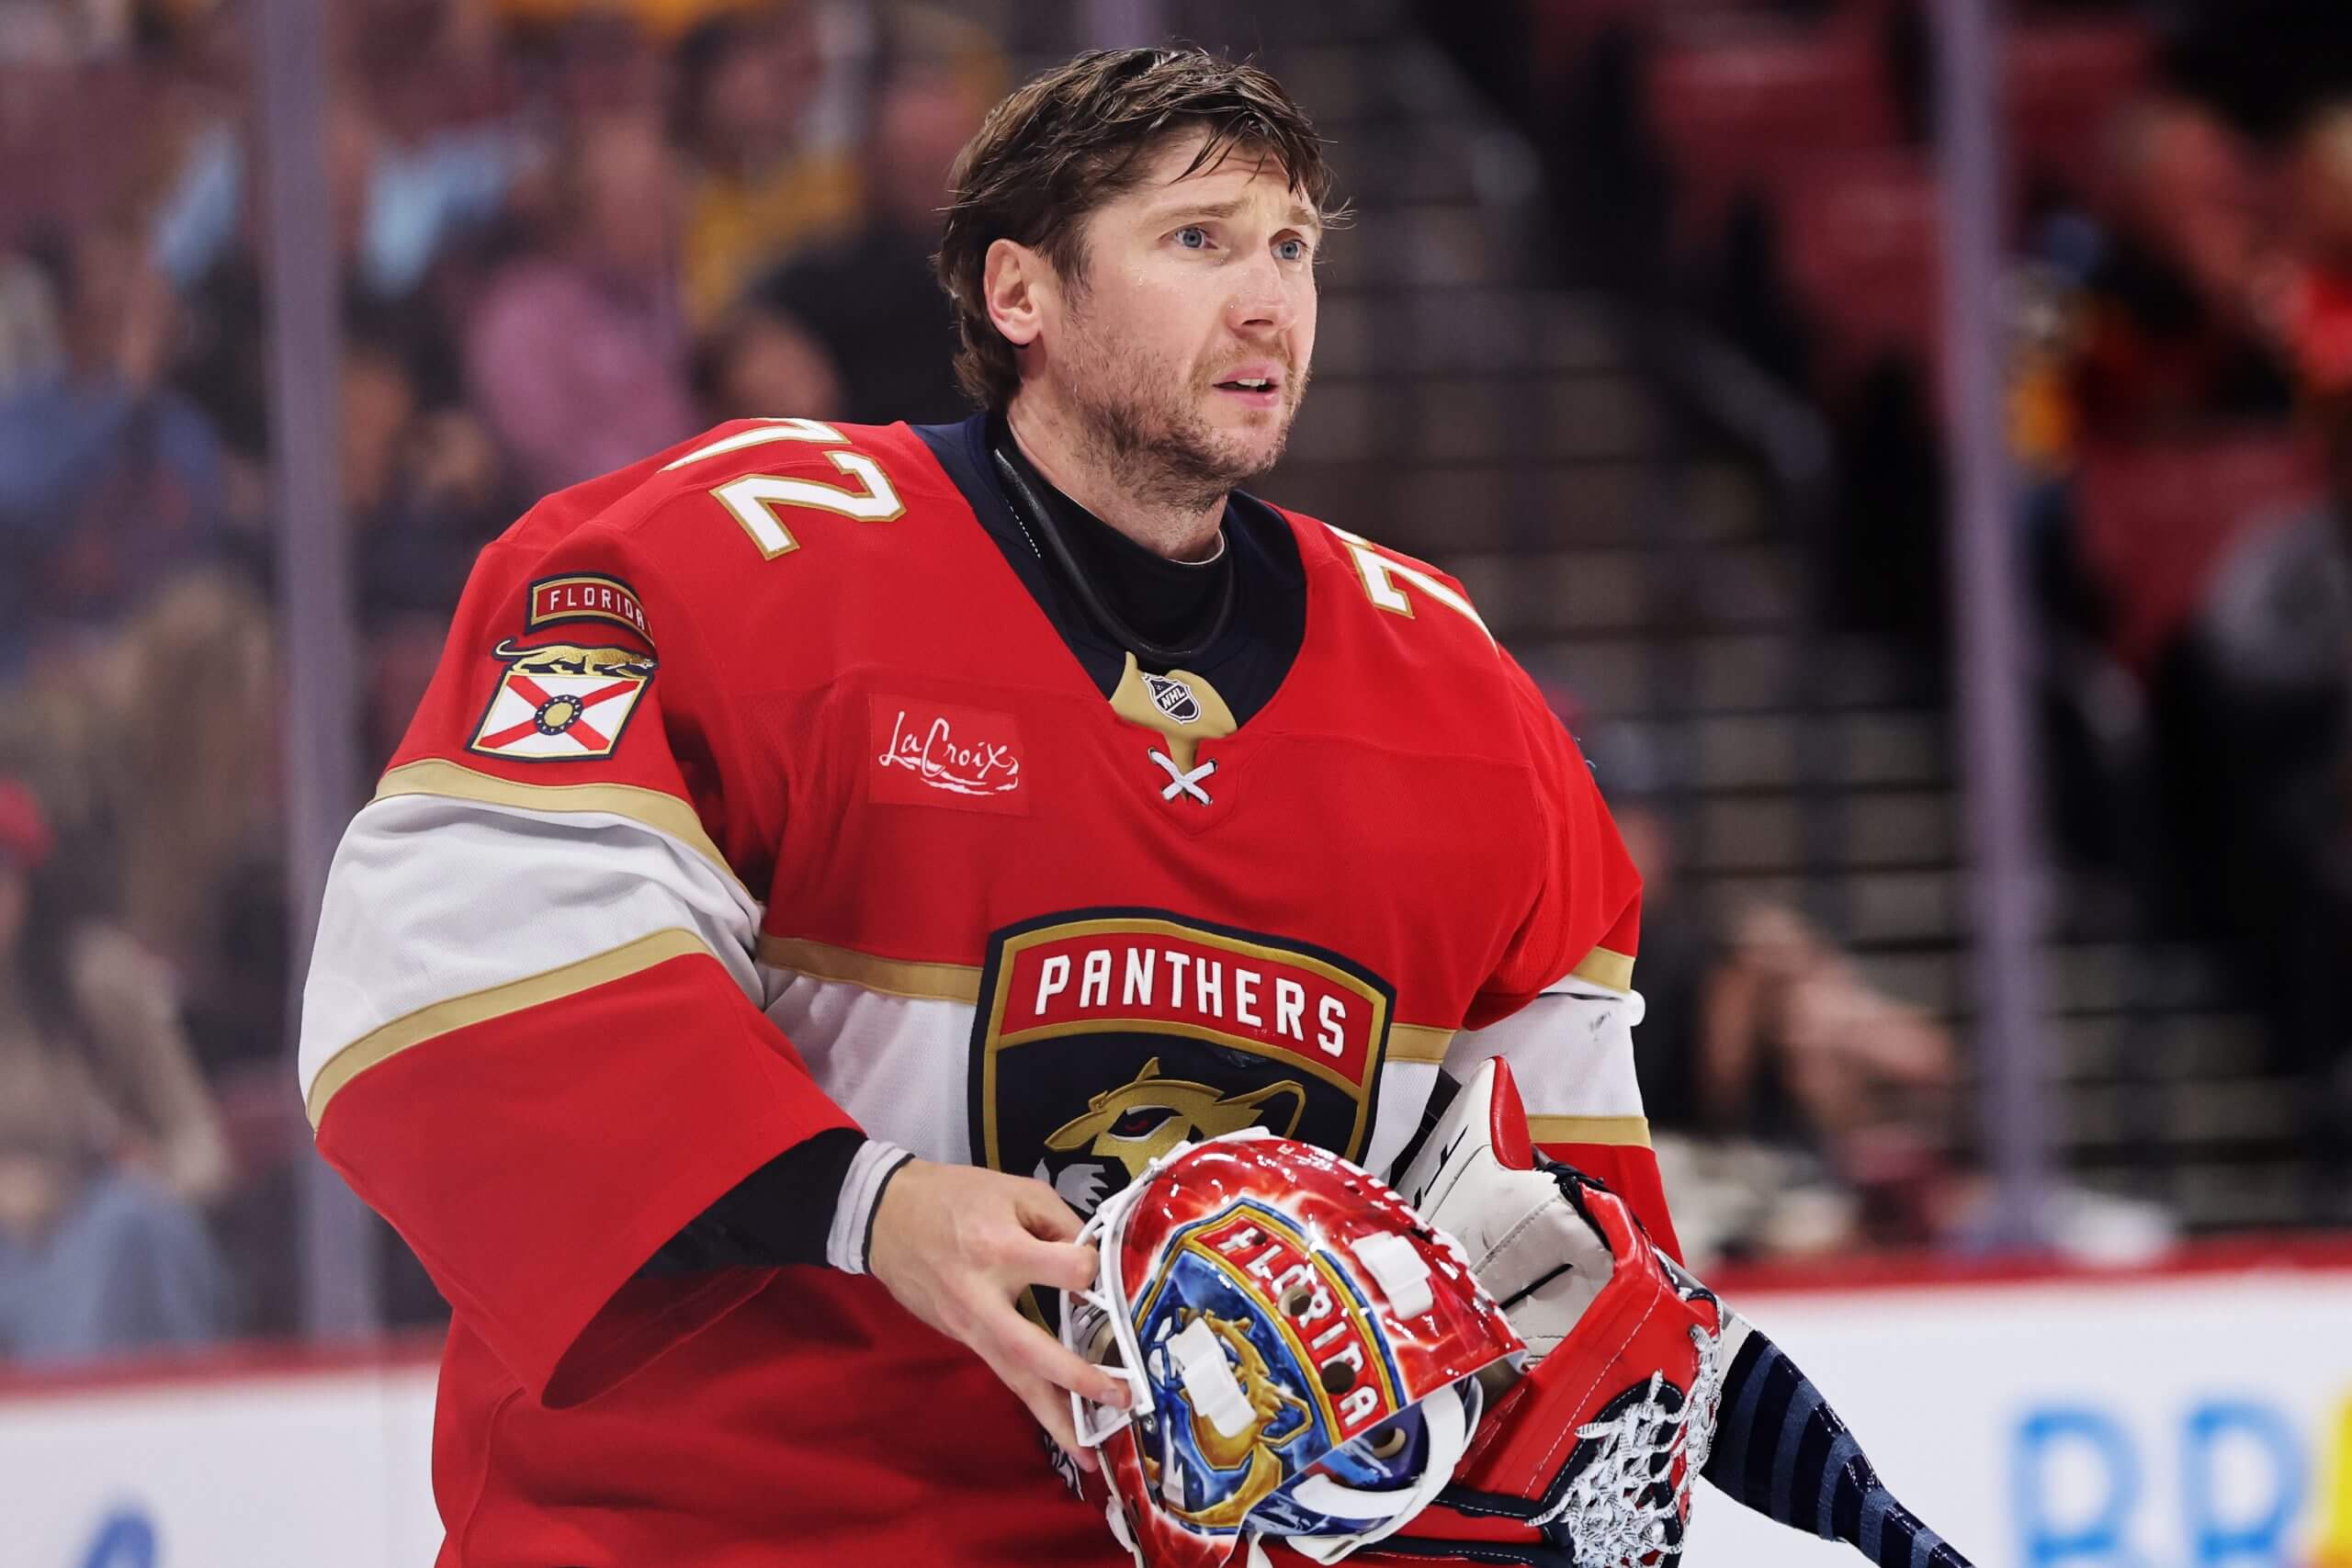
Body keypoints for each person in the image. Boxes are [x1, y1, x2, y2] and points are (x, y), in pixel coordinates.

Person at [300, 49, 1968, 1566]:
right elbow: (451, 974)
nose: (1269, 304)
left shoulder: (1461, 705)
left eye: (1295, 248)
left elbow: (1559, 1264)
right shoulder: (727, 562)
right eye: (1199, 241)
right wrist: (870, 1202)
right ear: (1020, 288)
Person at [0, 776, 231, 1362]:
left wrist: (154, 1180)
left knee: (136, 1230)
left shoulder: (96, 983)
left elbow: (201, 1144)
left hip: (100, 1238)